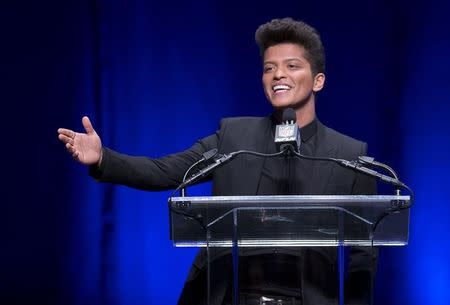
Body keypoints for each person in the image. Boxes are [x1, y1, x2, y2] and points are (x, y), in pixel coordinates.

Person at [58, 17, 376, 305]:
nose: (278, 74)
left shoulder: (349, 154)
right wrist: (103, 158)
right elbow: (165, 171)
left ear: (318, 80)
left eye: (292, 66)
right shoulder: (233, 137)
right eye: (269, 67)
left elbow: (363, 254)